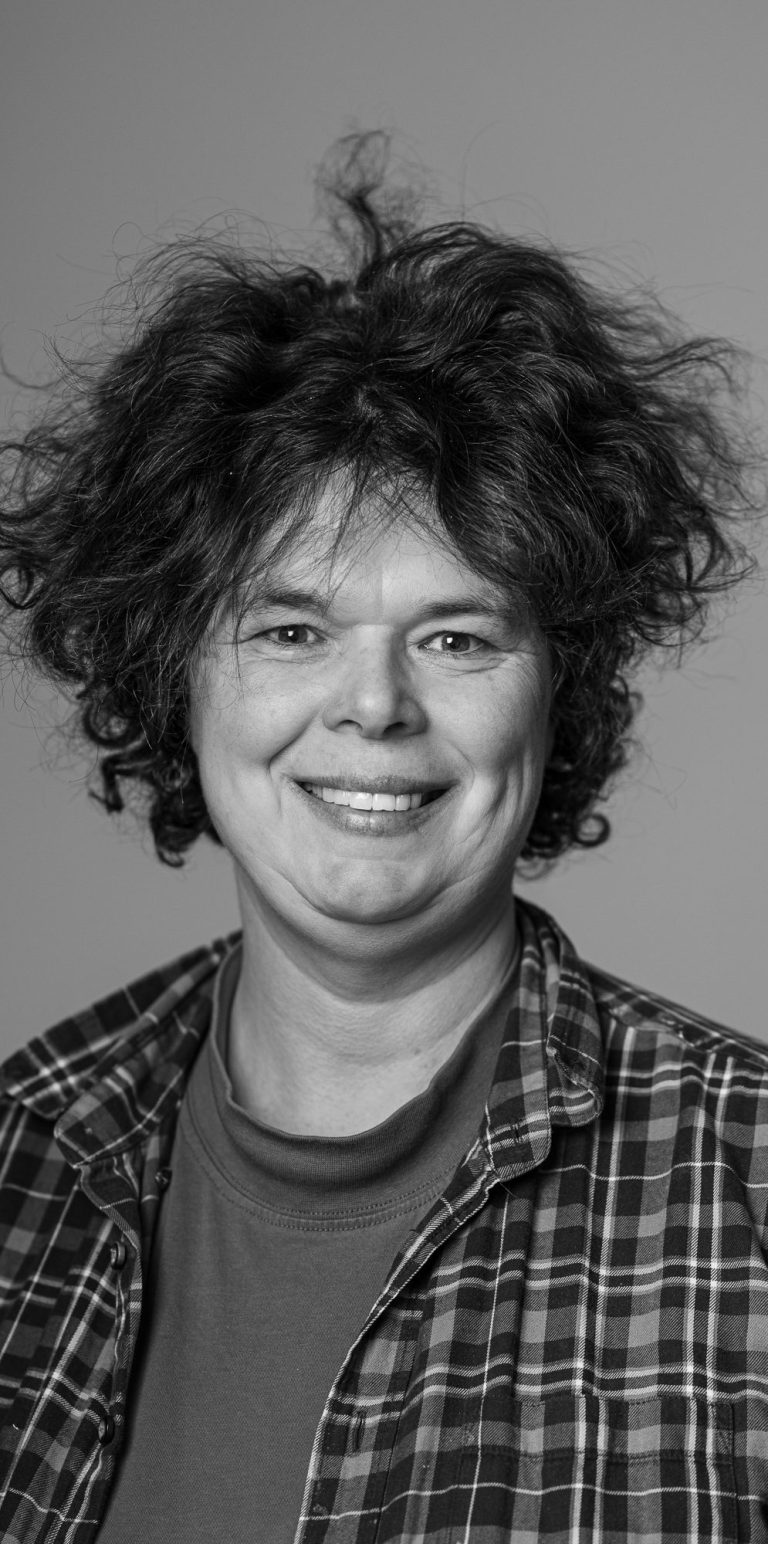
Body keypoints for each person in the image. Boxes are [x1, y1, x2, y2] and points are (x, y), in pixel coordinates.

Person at [0, 133, 765, 1543]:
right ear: (175, 673)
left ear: (560, 685)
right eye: (293, 630)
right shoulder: (23, 1153)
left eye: (458, 637)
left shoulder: (750, 1181)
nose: (374, 706)